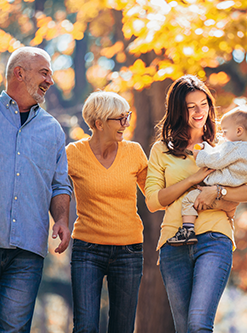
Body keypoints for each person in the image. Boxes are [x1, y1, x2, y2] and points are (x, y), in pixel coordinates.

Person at [145, 75, 247, 332]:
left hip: (213, 239)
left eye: (204, 104)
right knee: (184, 328)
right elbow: (153, 201)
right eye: (191, 107)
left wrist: (218, 192)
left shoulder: (225, 145)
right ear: (178, 110)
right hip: (173, 244)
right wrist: (194, 179)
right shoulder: (161, 150)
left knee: (198, 324)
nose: (200, 112)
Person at [0, 46, 72, 332]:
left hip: (27, 250)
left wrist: (63, 219)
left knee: (14, 329)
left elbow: (59, 183)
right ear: (20, 72)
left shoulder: (52, 130)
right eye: (44, 73)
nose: (50, 81)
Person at [66, 91, 148, 333]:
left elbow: (156, 197)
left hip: (129, 251)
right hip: (87, 250)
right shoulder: (73, 153)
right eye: (119, 119)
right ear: (99, 123)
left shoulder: (134, 152)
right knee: (85, 327)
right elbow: (53, 186)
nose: (126, 123)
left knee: (122, 328)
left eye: (127, 117)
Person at [167, 106, 247, 246]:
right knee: (225, 206)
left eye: (225, 131)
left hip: (225, 182)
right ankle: (228, 213)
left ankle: (187, 231)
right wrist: (207, 148)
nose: (223, 135)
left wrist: (200, 156)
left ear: (239, 130)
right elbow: (219, 153)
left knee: (188, 200)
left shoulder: (231, 147)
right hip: (234, 184)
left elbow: (216, 160)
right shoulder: (245, 148)